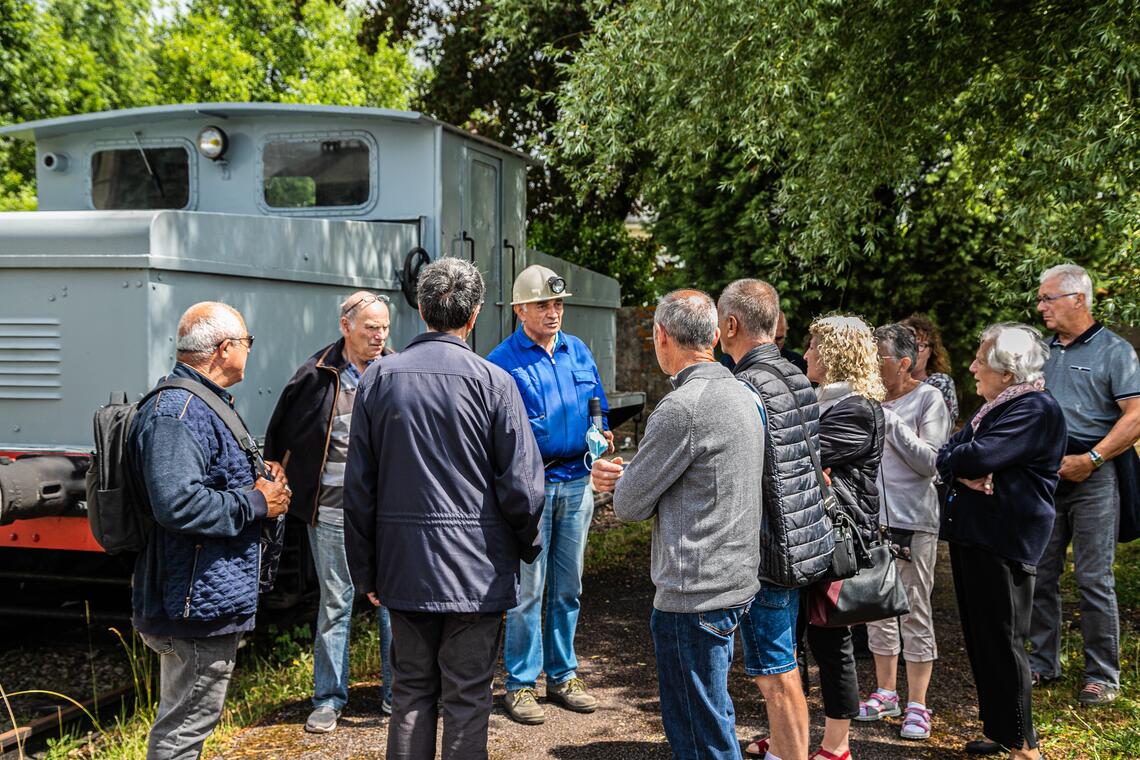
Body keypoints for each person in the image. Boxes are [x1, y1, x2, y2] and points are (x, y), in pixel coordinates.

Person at [343, 258, 545, 760]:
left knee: (410, 693)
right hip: (478, 571)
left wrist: (366, 571)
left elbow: (359, 489)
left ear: (420, 308)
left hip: (404, 567)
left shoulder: (379, 379)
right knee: (468, 696)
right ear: (474, 314)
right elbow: (522, 486)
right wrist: (527, 546)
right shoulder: (494, 382)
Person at [591, 289, 764, 760]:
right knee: (714, 715)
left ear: (661, 337)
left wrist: (618, 480)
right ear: (713, 335)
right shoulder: (743, 392)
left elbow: (629, 504)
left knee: (698, 732)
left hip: (694, 591)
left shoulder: (683, 407)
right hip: (734, 579)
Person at [129, 302, 291, 759]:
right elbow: (177, 503)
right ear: (224, 349)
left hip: (201, 595)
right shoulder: (176, 413)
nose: (249, 351)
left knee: (188, 720)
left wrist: (259, 480)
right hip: (192, 604)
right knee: (183, 729)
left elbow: (208, 480)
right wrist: (258, 501)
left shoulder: (198, 403)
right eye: (247, 342)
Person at [264, 291, 395, 733]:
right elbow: (285, 429)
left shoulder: (396, 370)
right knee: (335, 604)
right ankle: (328, 699)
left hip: (388, 514)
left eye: (384, 328)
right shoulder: (317, 373)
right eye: (370, 328)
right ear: (346, 326)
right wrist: (277, 465)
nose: (379, 336)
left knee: (393, 604)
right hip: (333, 512)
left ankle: (399, 695)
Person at [487, 264, 612, 724]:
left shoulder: (578, 350)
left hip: (576, 484)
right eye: (543, 304)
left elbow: (598, 407)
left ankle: (563, 676)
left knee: (568, 588)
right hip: (531, 490)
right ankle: (520, 684)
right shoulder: (501, 361)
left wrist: (602, 434)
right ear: (521, 309)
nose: (553, 312)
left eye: (558, 303)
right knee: (527, 590)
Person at [939, 323, 1066, 759]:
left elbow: (975, 455)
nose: (972, 366)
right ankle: (1000, 730)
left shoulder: (1034, 408)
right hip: (976, 534)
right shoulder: (995, 408)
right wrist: (962, 463)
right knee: (981, 638)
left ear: (1007, 373)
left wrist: (967, 461)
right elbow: (947, 453)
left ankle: (1024, 745)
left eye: (981, 360)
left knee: (1005, 641)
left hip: (1004, 539)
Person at [718, 280, 833, 760]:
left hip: (771, 545)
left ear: (729, 326)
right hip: (803, 537)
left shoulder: (747, 386)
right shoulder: (795, 375)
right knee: (783, 667)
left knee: (775, 673)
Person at [1028, 264, 1140, 706]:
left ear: (1078, 299)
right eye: (1040, 299)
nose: (1041, 307)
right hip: (1046, 476)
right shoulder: (1041, 352)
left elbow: (1135, 416)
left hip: (1095, 474)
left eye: (1048, 298)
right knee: (1041, 574)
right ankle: (1043, 662)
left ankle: (1102, 675)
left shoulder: (1115, 351)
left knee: (1094, 578)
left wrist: (1091, 459)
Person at [857, 324, 951, 740]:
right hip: (871, 521)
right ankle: (885, 691)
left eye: (879, 359)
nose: (872, 366)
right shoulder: (868, 399)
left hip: (914, 522)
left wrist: (889, 423)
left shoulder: (928, 398)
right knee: (877, 609)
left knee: (914, 610)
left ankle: (918, 703)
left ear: (905, 363)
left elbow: (931, 461)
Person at [802, 315, 887, 760]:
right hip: (811, 534)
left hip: (839, 542)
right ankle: (790, 739)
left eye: (815, 347)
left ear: (835, 354)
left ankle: (837, 746)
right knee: (801, 638)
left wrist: (810, 463)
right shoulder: (825, 403)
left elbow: (799, 460)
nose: (807, 354)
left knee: (832, 642)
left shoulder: (857, 408)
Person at [901, 313, 958, 423]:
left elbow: (940, 426)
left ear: (930, 352)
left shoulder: (939, 383)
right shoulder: (885, 383)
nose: (914, 351)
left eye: (920, 346)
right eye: (909, 344)